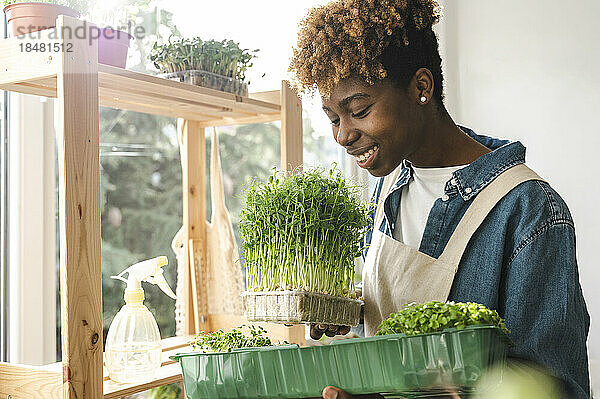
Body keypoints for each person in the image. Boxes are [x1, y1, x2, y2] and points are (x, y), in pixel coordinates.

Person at [288, 0, 590, 398]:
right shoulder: (384, 194)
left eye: (358, 110)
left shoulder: (528, 211)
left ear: (421, 88)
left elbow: (555, 389)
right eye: (332, 118)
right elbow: (386, 345)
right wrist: (350, 317)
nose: (343, 135)